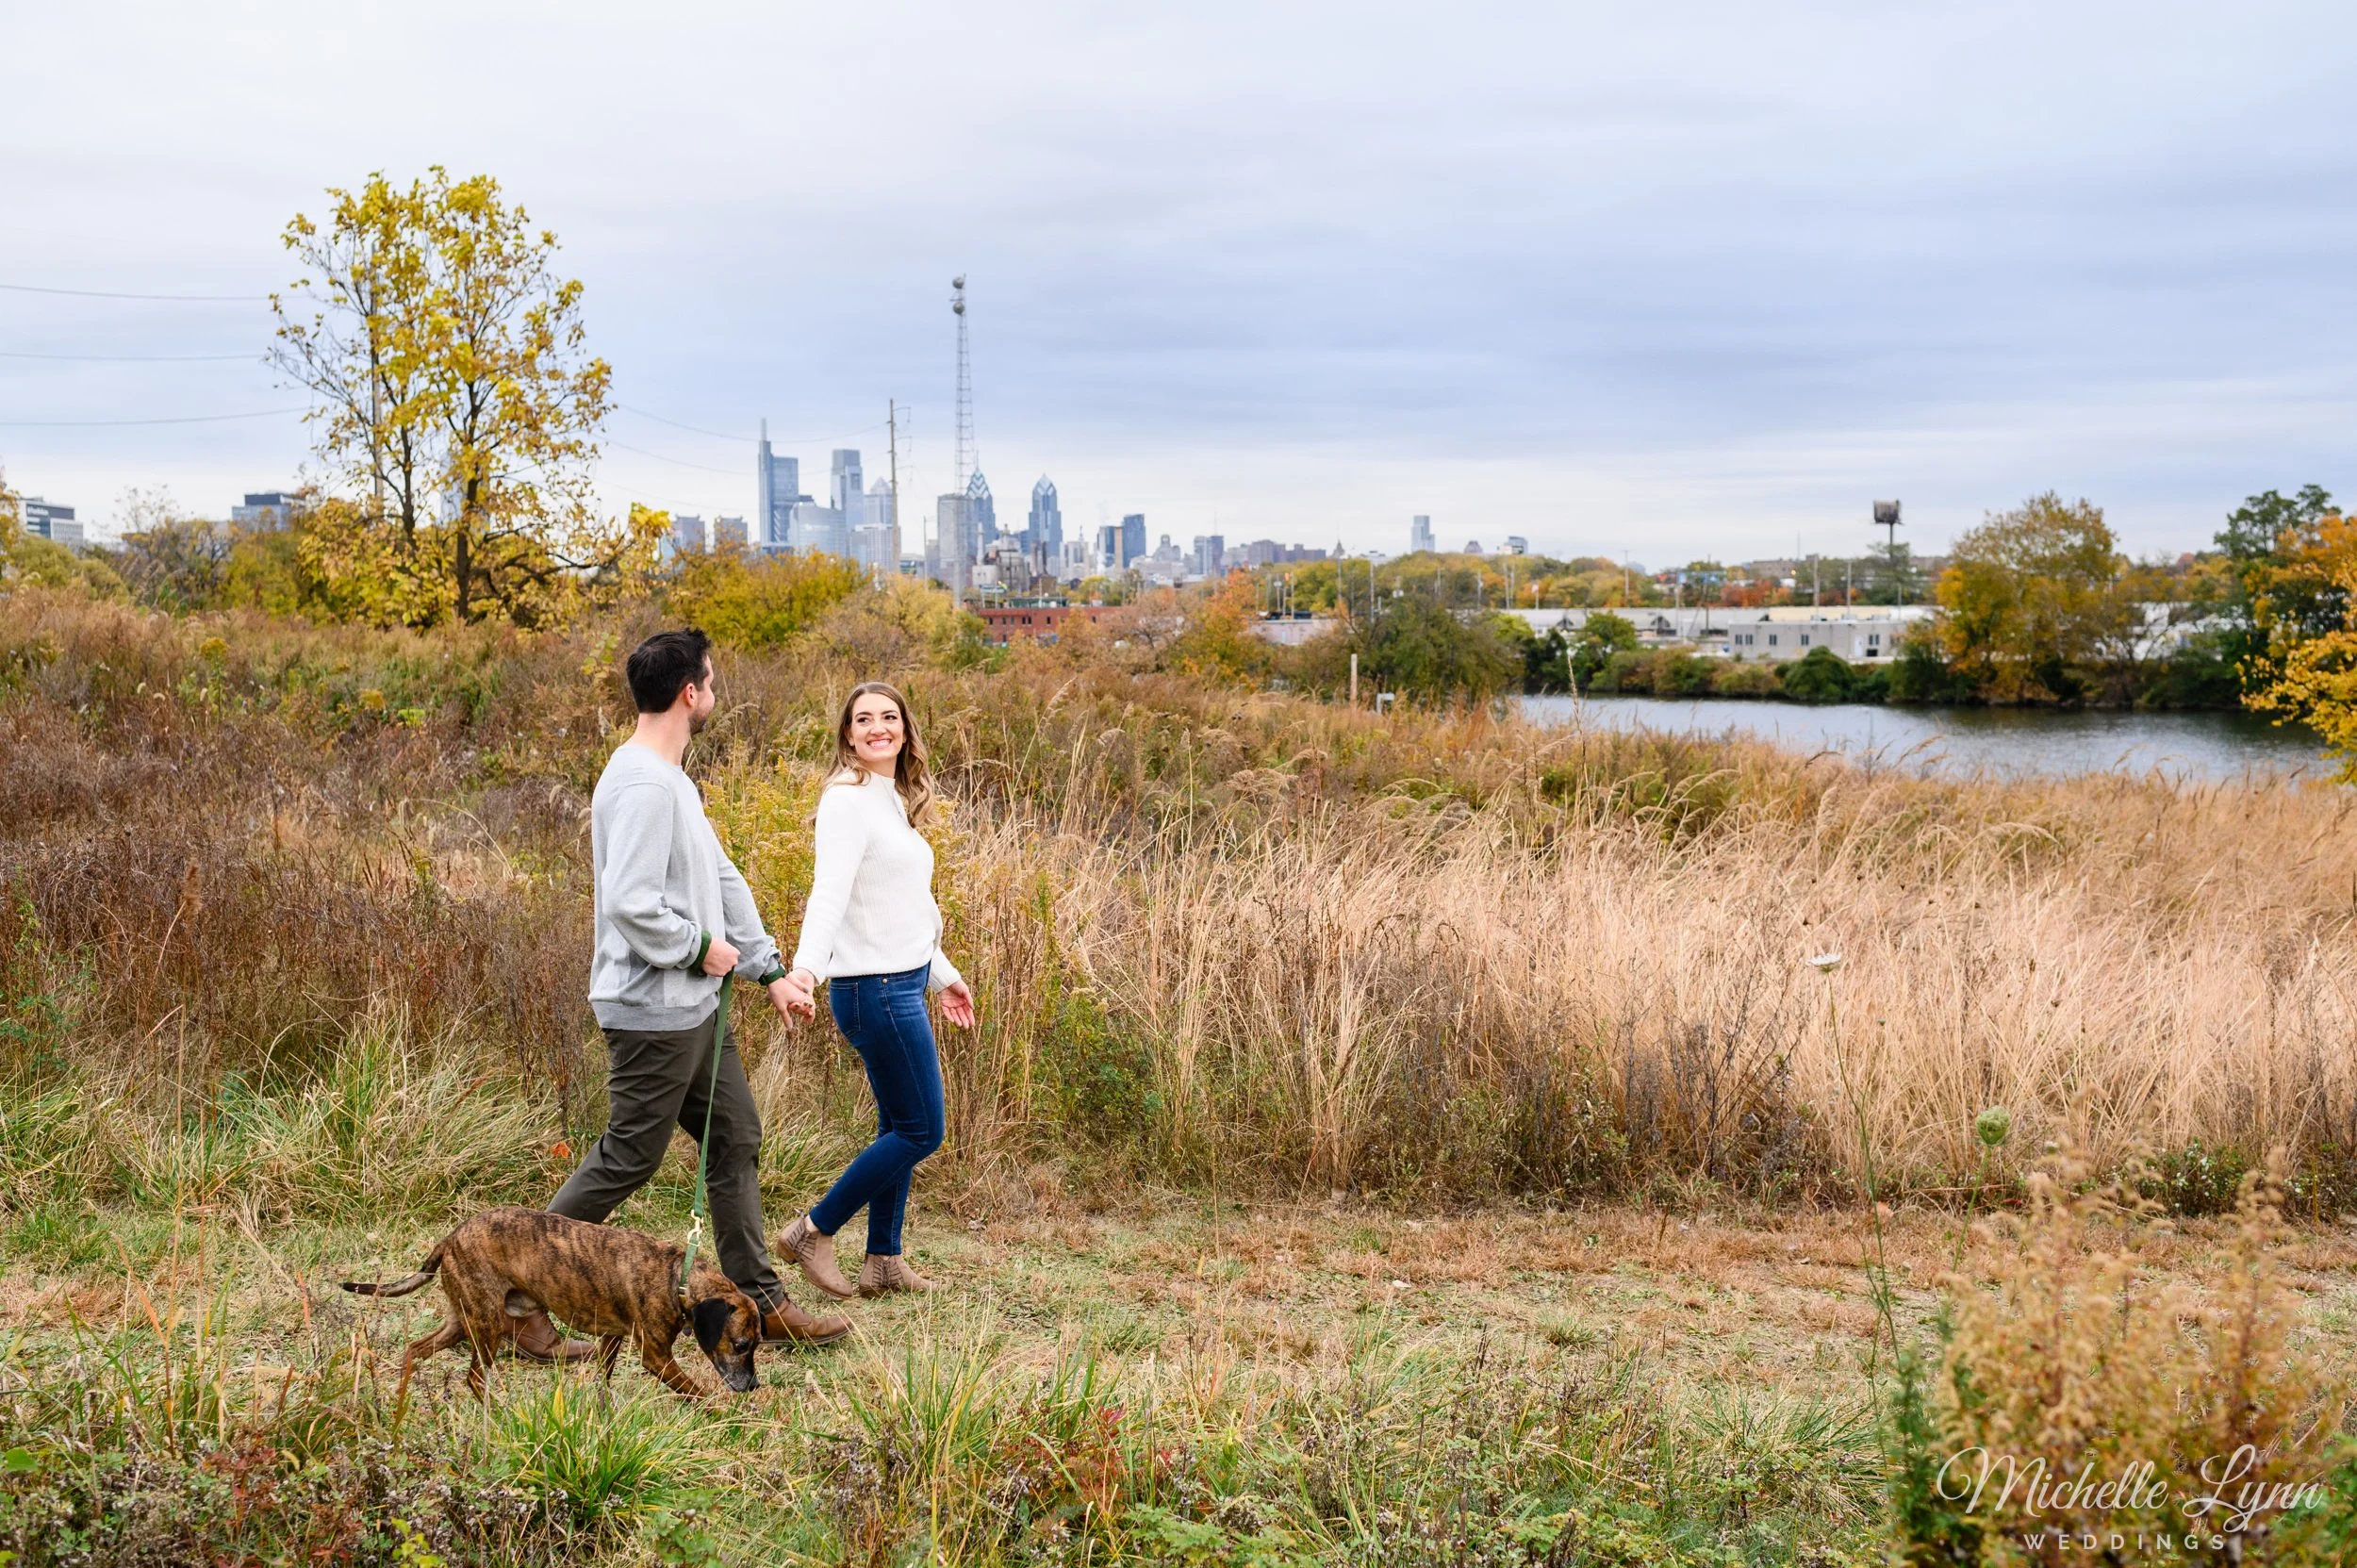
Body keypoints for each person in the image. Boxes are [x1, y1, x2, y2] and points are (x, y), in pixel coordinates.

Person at [546, 628, 849, 1352]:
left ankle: (761, 1303)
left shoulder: (670, 778)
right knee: (629, 1155)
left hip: (696, 1006)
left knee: (735, 1135)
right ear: (691, 692)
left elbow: (719, 876)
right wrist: (698, 947)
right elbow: (631, 901)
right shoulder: (644, 785)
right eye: (711, 680)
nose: (715, 691)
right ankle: (516, 1291)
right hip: (653, 1008)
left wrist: (768, 970)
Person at [774, 681, 977, 1300]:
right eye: (863, 719)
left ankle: (883, 1260)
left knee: (898, 1124)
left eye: (889, 716)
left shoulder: (890, 799)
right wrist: (805, 970)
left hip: (902, 981)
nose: (877, 727)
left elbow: (898, 909)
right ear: (848, 734)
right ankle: (813, 1230)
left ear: (905, 729)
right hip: (875, 991)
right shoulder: (847, 800)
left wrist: (943, 975)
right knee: (922, 1130)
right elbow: (829, 895)